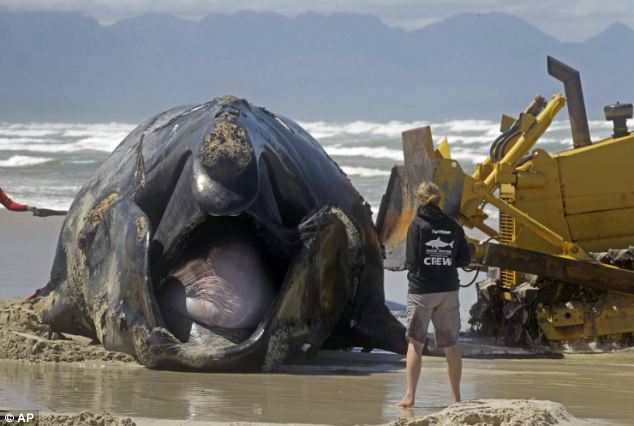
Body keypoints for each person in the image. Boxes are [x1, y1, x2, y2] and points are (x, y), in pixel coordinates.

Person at [397, 181, 471, 408]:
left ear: (420, 200)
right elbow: (465, 259)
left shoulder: (417, 225)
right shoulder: (453, 225)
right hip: (448, 290)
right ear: (439, 200)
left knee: (415, 344)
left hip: (422, 291)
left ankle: (410, 396)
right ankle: (456, 397)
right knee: (451, 344)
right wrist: (444, 262)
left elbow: (411, 260)